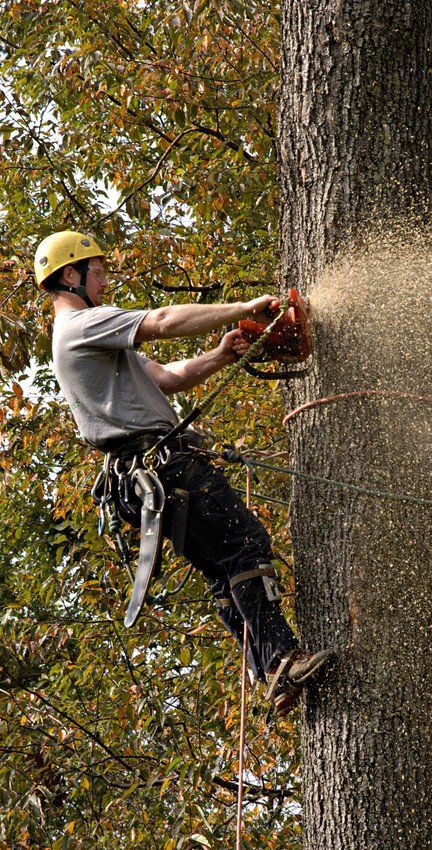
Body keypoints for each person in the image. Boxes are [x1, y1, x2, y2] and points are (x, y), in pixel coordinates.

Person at [34, 230, 331, 716]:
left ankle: (272, 671)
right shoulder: (82, 325)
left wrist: (221, 353)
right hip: (160, 467)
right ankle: (279, 658)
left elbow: (168, 378)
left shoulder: (93, 338)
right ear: (72, 274)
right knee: (243, 543)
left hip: (146, 476)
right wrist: (243, 308)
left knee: (223, 567)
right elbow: (166, 320)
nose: (106, 282)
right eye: (99, 272)